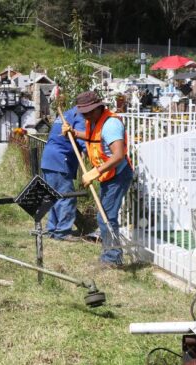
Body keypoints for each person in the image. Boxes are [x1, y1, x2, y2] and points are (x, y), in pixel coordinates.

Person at [62, 91, 133, 266]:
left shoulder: (111, 125)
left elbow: (118, 156)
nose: (85, 116)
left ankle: (112, 259)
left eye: (87, 112)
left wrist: (95, 172)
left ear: (98, 108)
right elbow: (93, 139)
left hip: (117, 174)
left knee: (106, 217)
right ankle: (111, 256)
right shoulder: (94, 122)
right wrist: (73, 133)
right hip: (106, 175)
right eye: (83, 113)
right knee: (105, 215)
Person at [40, 106, 86, 241]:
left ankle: (52, 229)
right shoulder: (80, 117)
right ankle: (63, 231)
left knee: (54, 196)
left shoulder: (66, 114)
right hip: (60, 159)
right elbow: (82, 140)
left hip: (49, 158)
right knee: (66, 197)